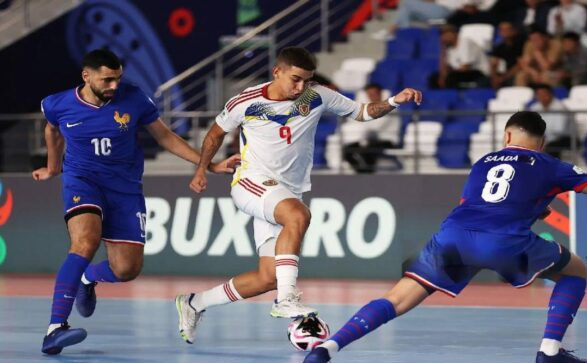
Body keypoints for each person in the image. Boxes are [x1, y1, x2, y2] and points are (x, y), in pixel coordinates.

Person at [300, 111, 587, 363]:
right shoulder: (551, 164)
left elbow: (478, 203)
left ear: (506, 136)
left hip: (454, 236)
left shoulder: (484, 162)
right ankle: (549, 352)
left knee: (397, 298)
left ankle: (325, 350)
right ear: (543, 141)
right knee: (576, 270)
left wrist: (536, 209)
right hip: (504, 242)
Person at [175, 47, 422, 344]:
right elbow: (215, 133)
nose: (301, 87)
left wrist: (395, 100)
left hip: (286, 192)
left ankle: (193, 303)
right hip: (252, 182)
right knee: (298, 215)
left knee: (267, 277)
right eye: (295, 79)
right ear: (277, 72)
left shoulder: (315, 96)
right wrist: (203, 169)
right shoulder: (246, 101)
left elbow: (361, 112)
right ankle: (287, 299)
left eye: (307, 80)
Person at [34, 49, 239, 355]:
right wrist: (53, 167)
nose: (114, 85)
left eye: (118, 78)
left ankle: (87, 279)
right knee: (85, 242)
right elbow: (52, 130)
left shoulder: (134, 99)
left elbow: (166, 137)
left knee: (127, 269)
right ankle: (55, 329)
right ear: (86, 76)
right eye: (107, 79)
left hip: (125, 189)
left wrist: (208, 163)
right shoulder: (58, 104)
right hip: (83, 181)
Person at [341, 83, 401, 173]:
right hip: (369, 139)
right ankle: (362, 173)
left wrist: (360, 120)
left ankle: (368, 173)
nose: (372, 96)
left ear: (381, 93)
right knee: (348, 150)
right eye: (369, 94)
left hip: (388, 140)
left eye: (374, 94)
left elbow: (375, 127)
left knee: (367, 149)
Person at [431, 24, 490, 88]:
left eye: (446, 34)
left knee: (451, 77)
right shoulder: (449, 48)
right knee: (434, 79)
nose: (443, 37)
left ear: (454, 33)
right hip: (461, 74)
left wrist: (446, 76)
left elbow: (466, 67)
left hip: (479, 73)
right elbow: (446, 68)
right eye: (442, 35)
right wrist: (443, 51)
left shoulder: (465, 42)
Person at [529, 84, 570, 158]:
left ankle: (553, 169)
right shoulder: (534, 108)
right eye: (539, 95)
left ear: (551, 94)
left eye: (544, 94)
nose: (542, 97)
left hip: (566, 138)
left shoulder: (560, 107)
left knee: (551, 147)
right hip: (543, 138)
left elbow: (559, 131)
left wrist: (543, 141)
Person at [490, 21, 527, 88]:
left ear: (514, 30)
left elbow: (521, 64)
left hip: (519, 72)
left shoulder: (522, 43)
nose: (505, 32)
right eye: (502, 30)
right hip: (507, 73)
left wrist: (504, 77)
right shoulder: (500, 47)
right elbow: (494, 63)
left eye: (507, 29)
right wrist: (494, 76)